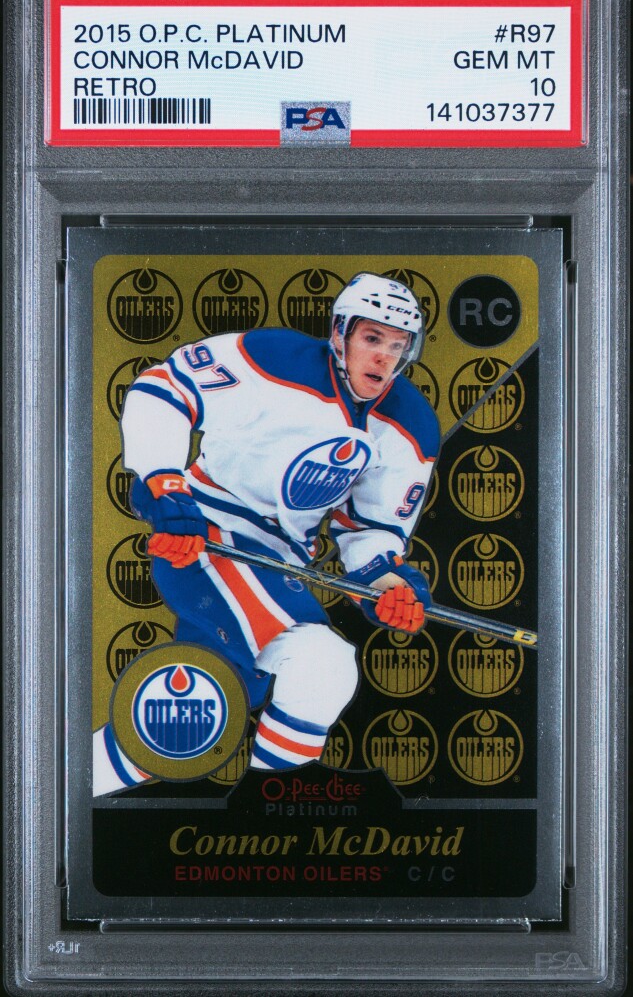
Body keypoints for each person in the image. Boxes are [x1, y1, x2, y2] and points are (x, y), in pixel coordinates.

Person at [93, 273, 440, 793]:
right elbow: (162, 388)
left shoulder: (410, 423)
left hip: (280, 562)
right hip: (205, 536)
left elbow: (370, 533)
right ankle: (268, 803)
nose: (383, 357)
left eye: (397, 346)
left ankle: (66, 779)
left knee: (203, 711)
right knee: (321, 661)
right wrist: (165, 485)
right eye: (372, 338)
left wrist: (390, 588)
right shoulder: (274, 359)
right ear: (340, 332)